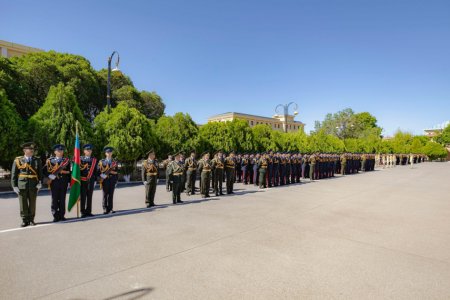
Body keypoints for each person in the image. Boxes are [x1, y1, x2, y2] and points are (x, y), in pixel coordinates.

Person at [11, 142, 43, 227]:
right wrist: (14, 186)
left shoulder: (37, 160)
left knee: (32, 203)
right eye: (30, 149)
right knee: (23, 203)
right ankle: (25, 220)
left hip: (33, 185)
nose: (32, 151)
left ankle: (31, 219)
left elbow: (40, 173)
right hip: (22, 185)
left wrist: (40, 182)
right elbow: (14, 174)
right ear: (25, 150)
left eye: (33, 149)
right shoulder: (18, 160)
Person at [45, 144, 71, 222]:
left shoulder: (66, 161)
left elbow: (70, 172)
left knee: (62, 199)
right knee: (54, 199)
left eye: (61, 150)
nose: (60, 152)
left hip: (64, 182)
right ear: (55, 152)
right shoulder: (50, 160)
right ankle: (55, 215)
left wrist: (69, 182)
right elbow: (45, 171)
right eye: (58, 151)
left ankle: (62, 215)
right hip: (54, 182)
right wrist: (50, 177)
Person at [98, 146, 119, 214]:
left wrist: (116, 181)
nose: (109, 153)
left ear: (112, 153)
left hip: (112, 180)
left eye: (110, 152)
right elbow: (99, 171)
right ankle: (104, 208)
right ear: (105, 153)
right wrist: (101, 178)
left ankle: (110, 208)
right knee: (105, 195)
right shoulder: (102, 162)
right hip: (105, 180)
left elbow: (116, 172)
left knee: (111, 195)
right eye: (107, 152)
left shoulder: (114, 162)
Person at [80, 144, 98, 218]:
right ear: (84, 151)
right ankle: (83, 212)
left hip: (91, 180)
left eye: (90, 150)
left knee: (89, 196)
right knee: (83, 196)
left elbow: (96, 171)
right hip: (82, 180)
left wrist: (95, 180)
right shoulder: (80, 159)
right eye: (87, 150)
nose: (89, 151)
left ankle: (89, 211)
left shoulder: (94, 160)